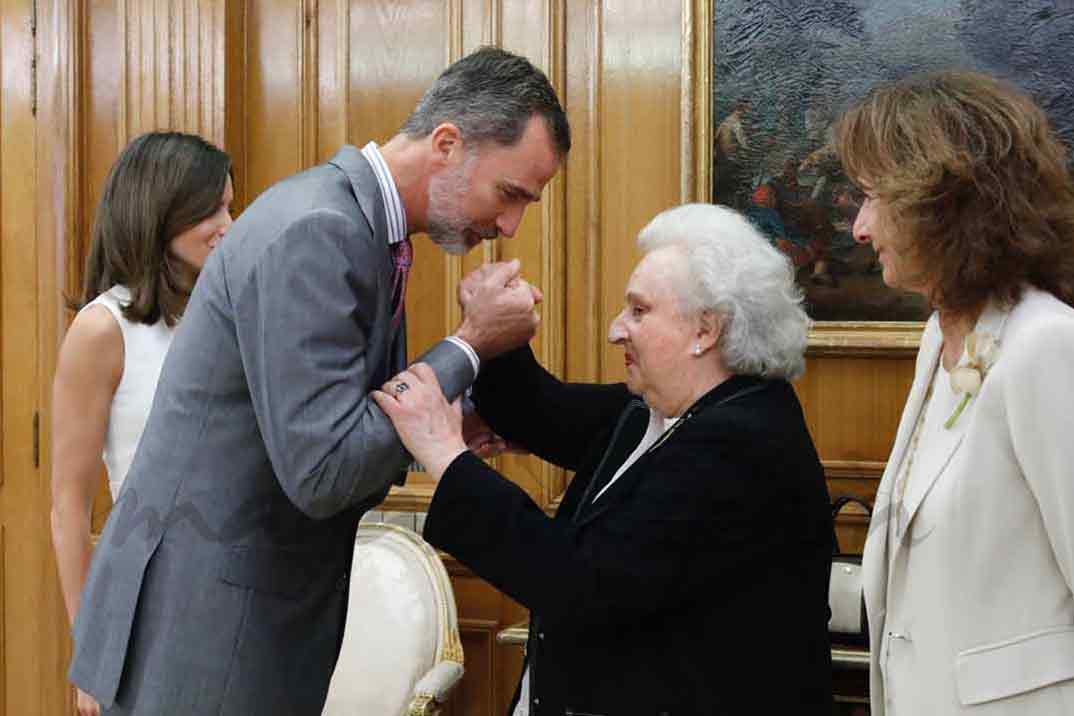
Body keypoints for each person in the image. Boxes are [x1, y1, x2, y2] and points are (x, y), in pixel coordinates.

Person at [68, 46, 570, 715]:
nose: (510, 225)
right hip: (211, 631)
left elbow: (340, 423)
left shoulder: (363, 229)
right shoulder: (320, 230)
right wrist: (469, 345)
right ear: (448, 143)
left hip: (240, 617)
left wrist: (441, 429)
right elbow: (322, 469)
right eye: (511, 195)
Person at [375, 203, 835, 715]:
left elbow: (579, 582)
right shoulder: (660, 409)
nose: (616, 329)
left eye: (639, 311)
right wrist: (497, 331)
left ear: (706, 330)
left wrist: (443, 451)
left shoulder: (742, 443)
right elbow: (538, 411)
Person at [836, 71, 1074, 715]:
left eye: (872, 197)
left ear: (944, 200)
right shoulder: (936, 343)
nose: (859, 228)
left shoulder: (1046, 345)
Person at [50, 131, 232, 716]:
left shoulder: (225, 315)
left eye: (232, 205)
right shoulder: (103, 330)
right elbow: (68, 506)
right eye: (215, 208)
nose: (230, 223)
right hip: (150, 605)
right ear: (162, 211)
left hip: (240, 599)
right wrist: (91, 654)